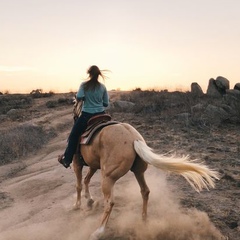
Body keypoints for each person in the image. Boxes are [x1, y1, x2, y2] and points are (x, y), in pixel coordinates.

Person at [58, 65, 109, 168]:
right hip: (102, 115)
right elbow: (106, 104)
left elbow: (79, 97)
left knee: (73, 135)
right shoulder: (102, 87)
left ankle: (67, 159)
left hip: (87, 116)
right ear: (99, 75)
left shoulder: (84, 85)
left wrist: (85, 97)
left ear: (89, 74)